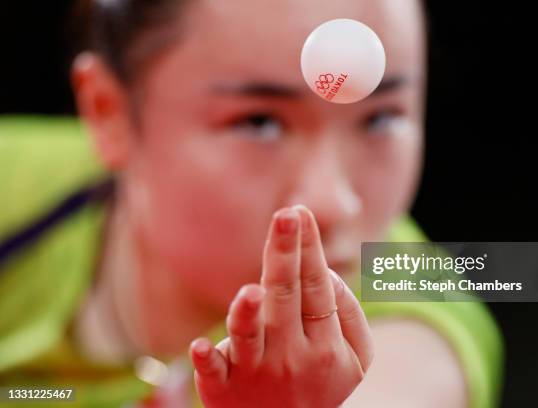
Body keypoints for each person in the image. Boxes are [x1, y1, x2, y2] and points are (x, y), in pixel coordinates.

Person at [0, 0, 503, 406]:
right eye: (258, 122)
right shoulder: (18, 179)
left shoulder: (411, 334)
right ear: (108, 112)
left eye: (381, 119)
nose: (335, 203)